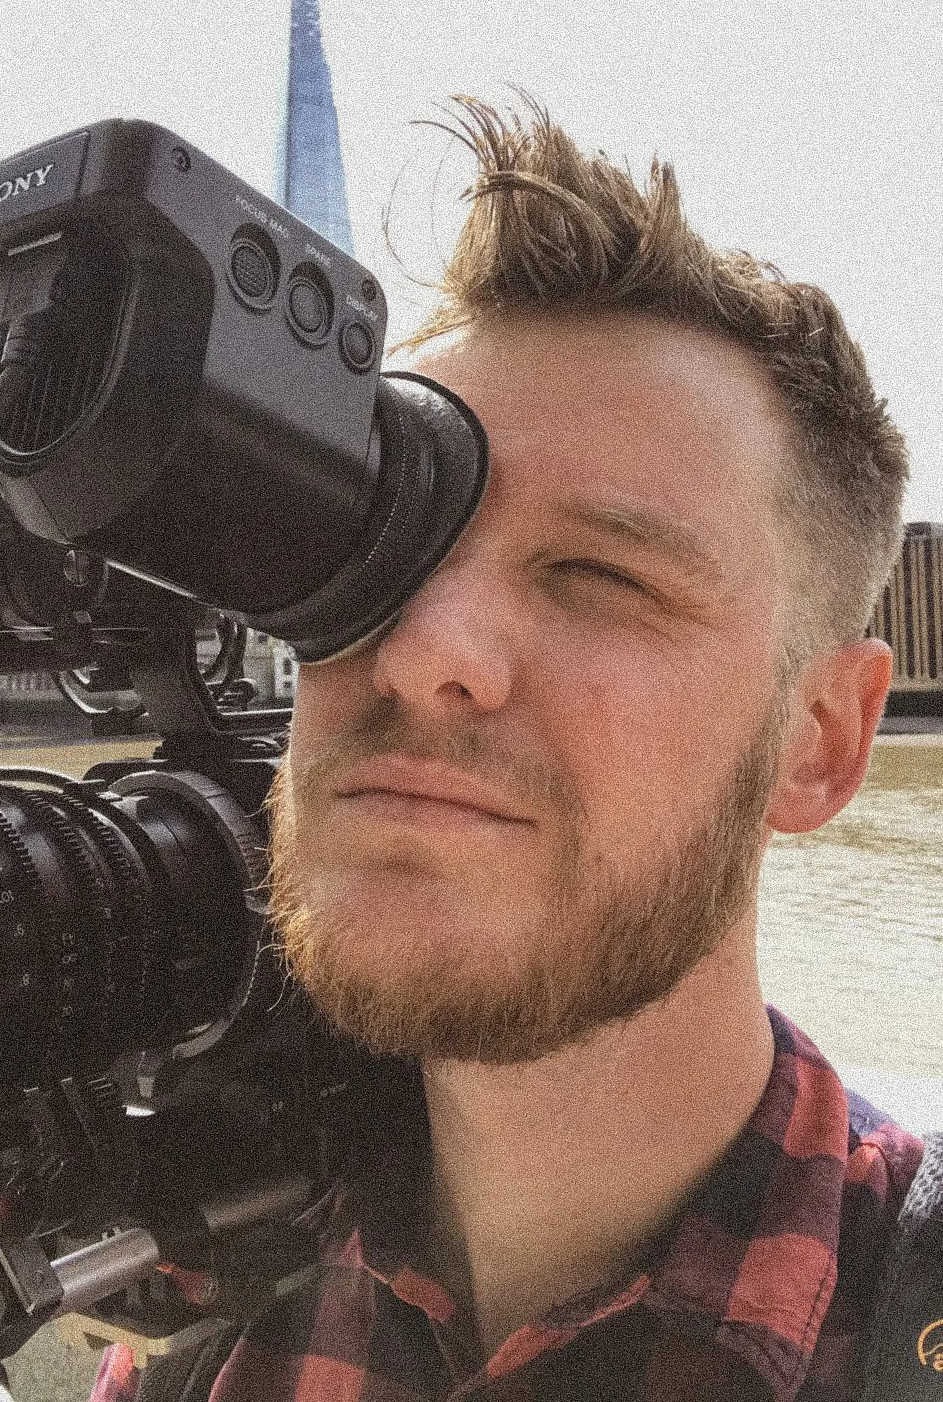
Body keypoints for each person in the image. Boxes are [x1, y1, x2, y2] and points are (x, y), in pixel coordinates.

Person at [101, 96, 923, 1400]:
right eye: (374, 549)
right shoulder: (187, 1311)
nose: (425, 647)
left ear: (816, 743)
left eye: (598, 573)